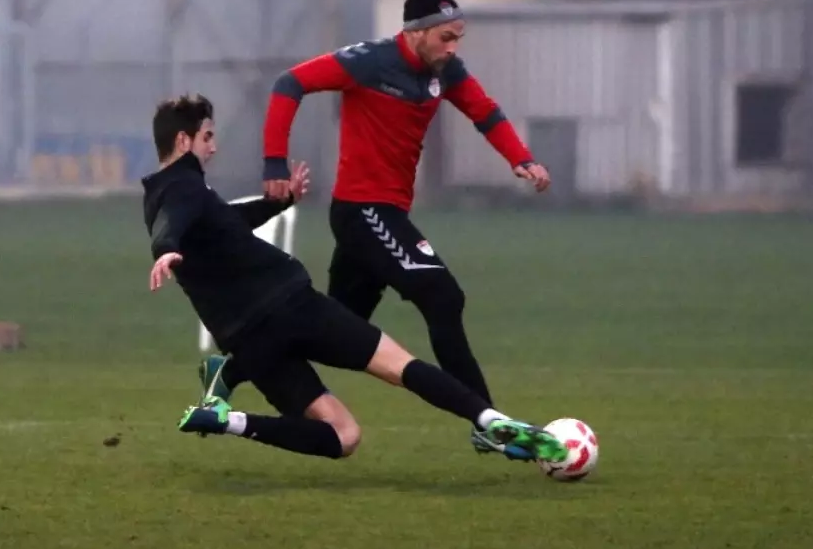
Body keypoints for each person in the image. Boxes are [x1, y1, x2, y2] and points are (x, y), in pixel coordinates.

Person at [197, 0, 551, 460]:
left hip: (382, 213)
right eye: (446, 37)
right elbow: (289, 84)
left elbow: (484, 112)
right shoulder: (368, 62)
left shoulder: (446, 71)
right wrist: (274, 164)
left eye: (458, 38)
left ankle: (231, 370)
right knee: (443, 296)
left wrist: (520, 158)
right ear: (418, 32)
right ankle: (486, 420)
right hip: (365, 212)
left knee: (339, 326)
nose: (453, 48)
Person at [143, 93, 567, 465]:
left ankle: (228, 421)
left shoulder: (168, 193)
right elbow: (172, 225)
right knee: (401, 366)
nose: (214, 147)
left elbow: (223, 222)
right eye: (207, 137)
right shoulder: (184, 189)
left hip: (248, 342)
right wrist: (165, 250)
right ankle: (491, 421)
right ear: (184, 141)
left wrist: (281, 202)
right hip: (294, 307)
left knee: (344, 436)